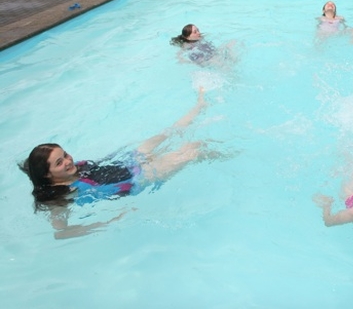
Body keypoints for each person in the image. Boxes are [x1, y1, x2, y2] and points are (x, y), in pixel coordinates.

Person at [20, 88, 220, 238]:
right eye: (59, 162)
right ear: (47, 174)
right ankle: (229, 155)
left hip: (128, 160)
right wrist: (110, 222)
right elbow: (61, 233)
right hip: (139, 178)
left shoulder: (76, 168)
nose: (67, 161)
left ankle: (200, 106)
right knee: (196, 148)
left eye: (65, 155)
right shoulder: (59, 198)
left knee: (168, 132)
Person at [171, 24, 236, 66]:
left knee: (232, 43)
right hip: (206, 61)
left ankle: (233, 62)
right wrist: (188, 62)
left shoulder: (200, 37)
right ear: (188, 37)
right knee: (221, 64)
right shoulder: (188, 45)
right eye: (195, 32)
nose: (198, 33)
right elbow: (179, 55)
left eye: (198, 30)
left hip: (213, 54)